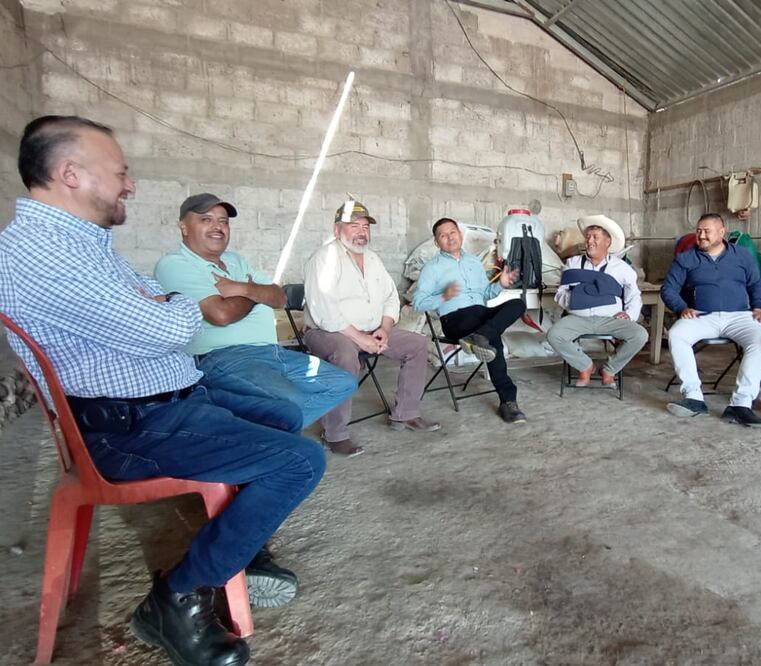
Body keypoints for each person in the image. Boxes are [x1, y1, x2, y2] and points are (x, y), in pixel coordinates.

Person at [0, 115, 327, 665]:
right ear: (70, 174)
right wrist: (172, 309)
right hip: (125, 427)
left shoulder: (82, 243)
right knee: (299, 462)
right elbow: (172, 326)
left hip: (165, 400)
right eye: (120, 172)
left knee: (282, 415)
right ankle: (177, 597)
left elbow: (160, 302)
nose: (129, 185)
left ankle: (237, 547)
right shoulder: (43, 251)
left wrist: (166, 307)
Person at [154, 193, 358, 450]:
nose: (218, 226)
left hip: (273, 353)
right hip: (223, 357)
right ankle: (269, 440)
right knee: (291, 401)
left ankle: (259, 437)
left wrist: (242, 289)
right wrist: (255, 293)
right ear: (183, 226)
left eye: (223, 221)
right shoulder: (174, 265)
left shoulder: (236, 261)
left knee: (343, 383)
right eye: (206, 219)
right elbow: (221, 314)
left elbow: (279, 297)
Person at [302, 201, 440, 455]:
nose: (361, 232)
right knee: (345, 354)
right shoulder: (323, 259)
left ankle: (406, 413)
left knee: (417, 344)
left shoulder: (373, 259)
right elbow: (325, 312)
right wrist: (360, 339)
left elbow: (391, 297)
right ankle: (335, 434)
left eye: (365, 227)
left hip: (371, 329)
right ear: (336, 230)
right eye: (354, 226)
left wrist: (385, 329)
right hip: (328, 331)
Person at [660, 212, 761, 426]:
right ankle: (693, 397)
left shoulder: (742, 255)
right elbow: (668, 289)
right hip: (703, 316)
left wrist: (758, 307)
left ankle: (740, 405)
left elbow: (757, 284)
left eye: (707, 231)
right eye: (698, 231)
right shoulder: (686, 258)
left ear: (722, 232)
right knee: (676, 334)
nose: (701, 236)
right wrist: (682, 307)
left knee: (760, 341)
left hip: (740, 316)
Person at [412, 217, 527, 423]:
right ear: (436, 242)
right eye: (443, 235)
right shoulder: (432, 268)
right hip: (455, 319)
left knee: (517, 304)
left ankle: (480, 336)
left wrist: (500, 284)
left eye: (452, 232)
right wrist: (443, 296)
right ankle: (508, 400)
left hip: (479, 313)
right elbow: (418, 303)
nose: (450, 237)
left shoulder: (474, 262)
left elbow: (486, 294)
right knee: (492, 337)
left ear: (460, 234)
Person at [547, 215, 648, 386]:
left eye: (595, 237)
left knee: (640, 335)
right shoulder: (572, 264)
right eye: (587, 237)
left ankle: (609, 369)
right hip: (578, 318)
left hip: (610, 319)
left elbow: (634, 295)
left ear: (608, 242)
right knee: (554, 335)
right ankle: (586, 366)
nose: (589, 241)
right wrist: (574, 301)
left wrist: (629, 315)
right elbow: (560, 293)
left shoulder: (621, 268)